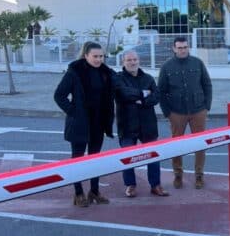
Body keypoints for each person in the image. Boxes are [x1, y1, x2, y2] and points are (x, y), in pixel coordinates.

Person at [54, 41, 115, 207]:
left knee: (95, 159)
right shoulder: (75, 72)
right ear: (86, 55)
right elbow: (59, 95)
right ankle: (78, 193)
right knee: (78, 160)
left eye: (101, 56)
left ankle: (94, 192)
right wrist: (74, 112)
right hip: (79, 124)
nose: (98, 59)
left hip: (98, 123)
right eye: (95, 56)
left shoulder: (106, 73)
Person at [158, 36, 212, 190]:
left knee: (200, 144)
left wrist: (206, 106)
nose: (182, 50)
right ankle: (178, 174)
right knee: (177, 145)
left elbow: (207, 84)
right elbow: (161, 91)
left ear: (188, 47)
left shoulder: (197, 63)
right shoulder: (167, 67)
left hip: (198, 110)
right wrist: (167, 112)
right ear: (174, 49)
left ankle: (199, 175)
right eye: (179, 47)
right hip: (176, 112)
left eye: (185, 47)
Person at [115, 50, 169, 198]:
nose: (132, 62)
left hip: (147, 124)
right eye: (129, 60)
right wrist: (144, 93)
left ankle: (155, 185)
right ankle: (130, 185)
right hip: (126, 124)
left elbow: (156, 97)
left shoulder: (148, 78)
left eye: (135, 59)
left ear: (139, 61)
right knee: (127, 157)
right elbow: (123, 94)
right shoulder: (118, 78)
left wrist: (141, 100)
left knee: (153, 156)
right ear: (123, 63)